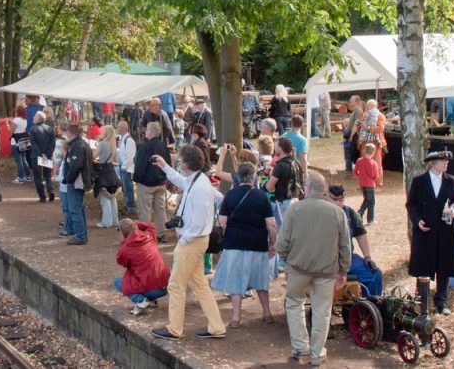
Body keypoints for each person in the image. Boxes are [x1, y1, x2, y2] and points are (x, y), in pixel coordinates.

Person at [149, 145, 228, 341]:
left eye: (179, 159)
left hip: (192, 242)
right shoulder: (198, 180)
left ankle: (174, 329)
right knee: (200, 285)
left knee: (175, 285)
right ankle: (217, 326)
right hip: (195, 240)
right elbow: (182, 181)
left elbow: (199, 221)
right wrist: (165, 167)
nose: (177, 161)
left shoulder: (200, 187)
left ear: (185, 163)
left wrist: (184, 236)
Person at [276, 170, 352, 367]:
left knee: (294, 304)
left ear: (308, 188)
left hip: (298, 268)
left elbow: (282, 241)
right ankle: (317, 353)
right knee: (322, 311)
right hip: (326, 271)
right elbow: (345, 245)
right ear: (324, 191)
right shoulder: (337, 212)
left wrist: (286, 260)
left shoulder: (294, 209)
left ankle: (301, 346)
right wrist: (343, 271)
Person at [211, 162, 277, 328]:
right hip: (258, 244)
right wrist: (273, 244)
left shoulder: (230, 195)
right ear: (254, 176)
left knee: (235, 282)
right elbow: (272, 224)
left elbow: (222, 222)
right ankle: (267, 313)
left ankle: (236, 318)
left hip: (234, 244)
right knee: (261, 281)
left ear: (239, 177)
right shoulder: (262, 196)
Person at [406, 149, 454, 314]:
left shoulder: (451, 181)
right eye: (443, 161)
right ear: (433, 163)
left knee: (444, 265)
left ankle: (441, 300)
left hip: (445, 230)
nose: (446, 163)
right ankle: (421, 300)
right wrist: (417, 221)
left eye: (447, 161)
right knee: (423, 264)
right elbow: (411, 204)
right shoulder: (419, 181)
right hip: (426, 231)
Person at [327, 185, 382, 296]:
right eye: (334, 200)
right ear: (327, 197)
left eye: (341, 200)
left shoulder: (349, 213)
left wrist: (367, 257)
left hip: (348, 259)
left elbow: (361, 235)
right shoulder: (320, 214)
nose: (338, 203)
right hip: (326, 261)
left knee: (375, 274)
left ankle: (370, 307)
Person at [114, 218, 170, 315]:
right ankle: (151, 300)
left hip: (152, 288)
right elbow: (150, 226)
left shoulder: (125, 248)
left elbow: (121, 262)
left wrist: (124, 241)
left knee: (119, 282)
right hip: (166, 285)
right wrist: (135, 224)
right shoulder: (149, 236)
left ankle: (140, 300)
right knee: (142, 274)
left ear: (122, 233)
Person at [133, 121, 172, 241]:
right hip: (160, 182)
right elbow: (168, 163)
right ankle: (161, 234)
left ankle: (146, 235)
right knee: (160, 210)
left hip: (146, 183)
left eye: (147, 130)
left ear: (150, 132)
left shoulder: (144, 147)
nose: (145, 131)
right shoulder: (163, 146)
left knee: (145, 210)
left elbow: (140, 165)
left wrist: (136, 179)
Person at [62, 121, 93, 245]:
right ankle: (82, 234)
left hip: (77, 182)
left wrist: (68, 179)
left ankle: (80, 236)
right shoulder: (83, 144)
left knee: (75, 209)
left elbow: (76, 165)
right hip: (81, 181)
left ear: (70, 132)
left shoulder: (77, 146)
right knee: (80, 208)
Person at [28, 111, 57, 202]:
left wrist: (41, 154)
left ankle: (42, 196)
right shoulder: (50, 129)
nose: (33, 118)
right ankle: (51, 190)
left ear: (38, 118)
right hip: (47, 155)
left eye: (35, 116)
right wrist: (47, 154)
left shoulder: (32, 129)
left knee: (37, 176)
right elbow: (53, 144)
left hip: (36, 156)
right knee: (47, 174)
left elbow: (34, 144)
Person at [95, 125, 120, 228]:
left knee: (104, 198)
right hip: (112, 172)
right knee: (112, 197)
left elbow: (93, 156)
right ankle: (115, 221)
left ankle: (106, 222)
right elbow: (116, 161)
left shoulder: (101, 144)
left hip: (103, 172)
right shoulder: (114, 146)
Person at [353, 142, 379, 225]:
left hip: (362, 184)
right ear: (373, 152)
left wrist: (360, 176)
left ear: (364, 151)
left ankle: (360, 213)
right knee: (371, 202)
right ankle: (369, 219)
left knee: (366, 200)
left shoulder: (359, 161)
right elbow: (376, 176)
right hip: (370, 184)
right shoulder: (373, 163)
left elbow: (355, 172)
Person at [116, 121, 137, 214]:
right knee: (125, 188)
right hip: (123, 167)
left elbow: (130, 156)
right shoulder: (124, 139)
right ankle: (127, 205)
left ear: (122, 129)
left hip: (127, 169)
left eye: (118, 127)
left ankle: (130, 206)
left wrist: (124, 167)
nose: (117, 129)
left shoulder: (128, 140)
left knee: (128, 187)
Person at [9, 105, 32, 183]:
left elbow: (11, 131)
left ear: (17, 111)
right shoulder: (25, 120)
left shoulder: (16, 120)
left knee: (19, 160)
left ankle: (21, 177)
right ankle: (28, 176)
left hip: (15, 141)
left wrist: (8, 125)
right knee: (24, 158)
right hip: (23, 140)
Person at [342, 95, 363, 173]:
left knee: (355, 154)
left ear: (356, 102)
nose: (350, 102)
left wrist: (351, 135)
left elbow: (357, 123)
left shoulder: (358, 111)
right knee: (351, 153)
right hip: (352, 134)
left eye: (351, 101)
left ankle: (356, 170)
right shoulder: (355, 111)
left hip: (354, 135)